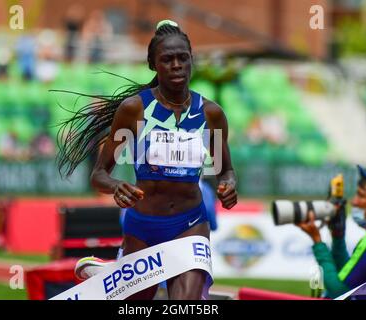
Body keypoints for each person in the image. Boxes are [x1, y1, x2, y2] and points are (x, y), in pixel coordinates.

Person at [57, 20, 237, 300]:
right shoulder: (134, 110)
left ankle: (113, 273)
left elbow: (226, 171)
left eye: (183, 58)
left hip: (191, 224)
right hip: (143, 226)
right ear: (153, 64)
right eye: (167, 59)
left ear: (192, 60)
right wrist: (116, 185)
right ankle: (112, 273)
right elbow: (99, 174)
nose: (176, 65)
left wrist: (228, 186)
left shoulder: (211, 114)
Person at [297, 165, 366, 299]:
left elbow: (339, 292)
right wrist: (338, 238)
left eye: (361, 196)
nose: (354, 202)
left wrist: (317, 241)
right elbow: (350, 279)